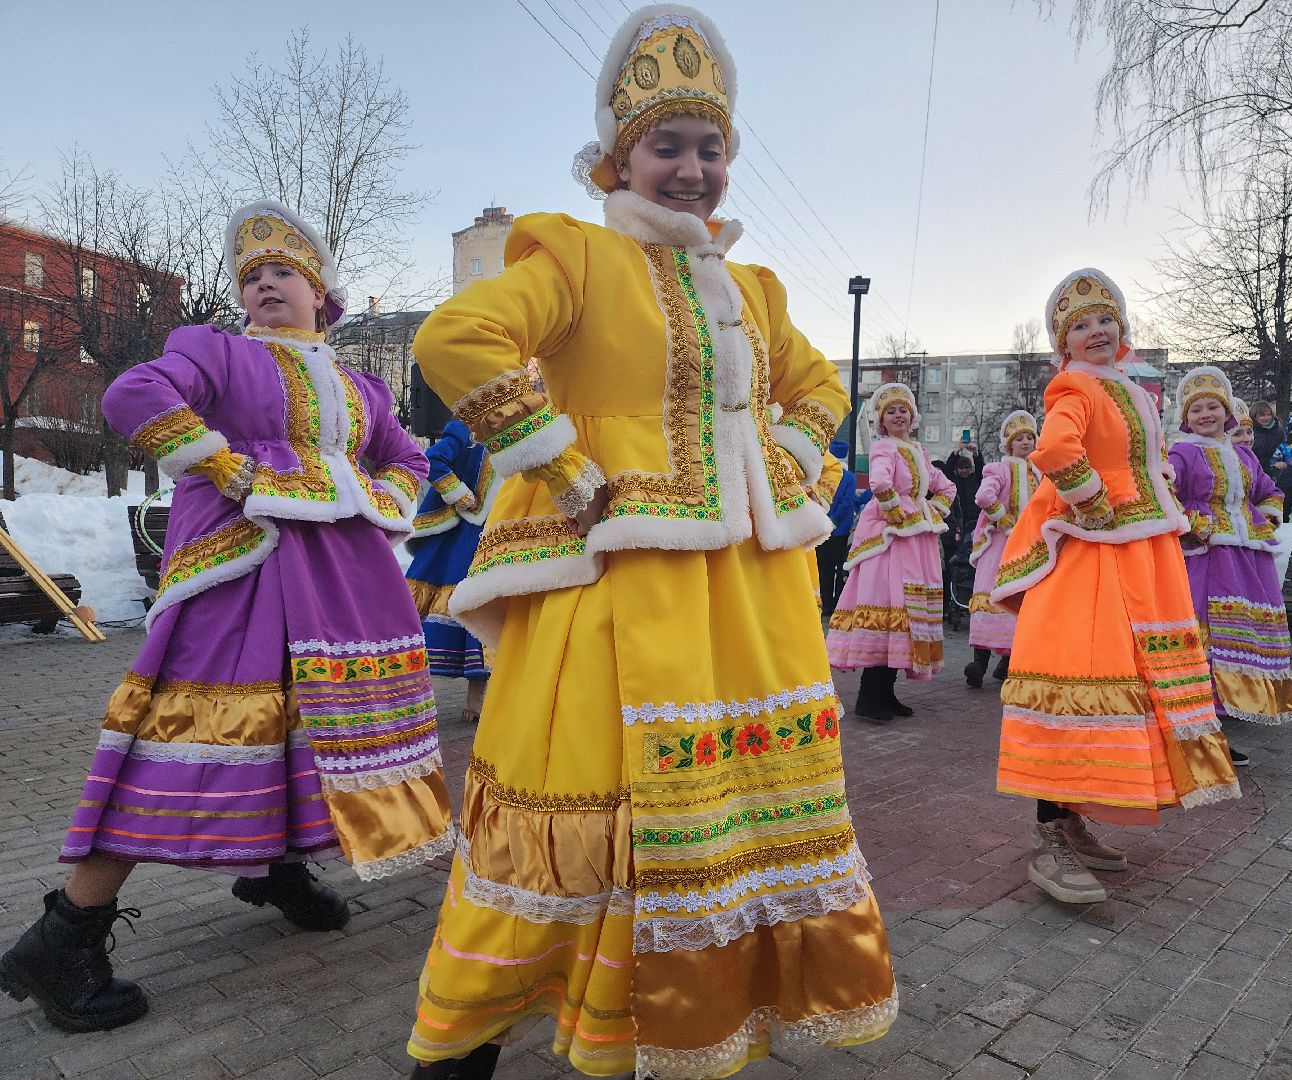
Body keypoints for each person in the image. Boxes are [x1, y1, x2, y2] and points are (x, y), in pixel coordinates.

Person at [403, 9, 897, 1077]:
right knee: (580, 802)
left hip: (749, 601)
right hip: (616, 589)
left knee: (725, 814)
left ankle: (666, 1031)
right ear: (615, 156)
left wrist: (796, 463)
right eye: (665, 144)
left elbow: (817, 391)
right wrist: (561, 463)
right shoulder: (578, 256)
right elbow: (457, 337)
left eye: (709, 146)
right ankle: (461, 1051)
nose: (690, 168)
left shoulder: (756, 290)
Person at [0, 201, 453, 1033]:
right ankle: (62, 936)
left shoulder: (362, 389)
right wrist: (223, 463)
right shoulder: (214, 353)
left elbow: (406, 457)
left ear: (323, 293)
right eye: (250, 277)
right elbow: (137, 392)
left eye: (283, 272)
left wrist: (374, 495)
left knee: (314, 730)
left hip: (340, 595)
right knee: (184, 743)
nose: (264, 285)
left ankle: (272, 867)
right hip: (237, 583)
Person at [992, 269, 1240, 907]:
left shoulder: (1129, 388)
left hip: (1137, 554)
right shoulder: (1073, 385)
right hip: (1092, 555)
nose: (1097, 330)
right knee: (1081, 671)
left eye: (1105, 319)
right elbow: (1054, 449)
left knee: (1126, 681)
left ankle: (1068, 819)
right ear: (1064, 343)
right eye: (1080, 325)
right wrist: (1092, 501)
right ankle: (1048, 831)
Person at [1169, 367, 1292, 742]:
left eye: (1213, 406)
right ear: (1186, 417)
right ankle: (1199, 709)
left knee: (1243, 630)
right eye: (1196, 410)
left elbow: (1268, 490)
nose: (1205, 415)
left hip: (1248, 558)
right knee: (1205, 625)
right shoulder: (1182, 453)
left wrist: (1270, 516)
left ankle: (1232, 703)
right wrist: (1194, 521)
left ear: (1226, 411)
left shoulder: (1243, 456)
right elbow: (1165, 493)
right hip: (1207, 555)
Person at [827, 383, 956, 721]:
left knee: (906, 613)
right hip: (889, 540)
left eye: (904, 410)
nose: (899, 415)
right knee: (889, 606)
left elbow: (946, 486)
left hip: (915, 541)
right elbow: (880, 482)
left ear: (913, 417)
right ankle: (870, 697)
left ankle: (886, 692)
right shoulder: (884, 447)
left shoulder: (919, 452)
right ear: (882, 421)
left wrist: (934, 511)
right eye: (891, 411)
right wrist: (897, 510)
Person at [406, 418, 496, 719]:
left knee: (487, 610)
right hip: (467, 533)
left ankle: (476, 699)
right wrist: (461, 495)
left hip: (501, 528)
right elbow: (434, 459)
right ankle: (410, 698)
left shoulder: (520, 422)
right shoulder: (465, 425)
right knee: (460, 608)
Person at [964, 410, 1041, 688]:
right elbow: (984, 495)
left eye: (1029, 437)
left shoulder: (1039, 472)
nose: (1025, 442)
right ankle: (979, 663)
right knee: (992, 597)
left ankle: (1007, 663)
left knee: (1021, 601)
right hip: (1001, 544)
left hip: (1029, 546)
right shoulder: (1001, 468)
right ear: (1008, 444)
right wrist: (1003, 517)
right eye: (1019, 438)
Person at [816, 437, 870, 617]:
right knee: (841, 568)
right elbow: (847, 503)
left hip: (822, 528)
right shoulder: (849, 477)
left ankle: (825, 604)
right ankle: (838, 604)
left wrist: (825, 521)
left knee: (824, 569)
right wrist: (834, 522)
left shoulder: (821, 474)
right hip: (840, 530)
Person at [1251, 400, 1284, 480]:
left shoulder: (1278, 429)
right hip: (1256, 473)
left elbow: (1284, 448)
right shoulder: (1249, 432)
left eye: (1269, 415)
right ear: (1254, 416)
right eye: (1262, 415)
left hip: (1277, 474)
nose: (1266, 418)